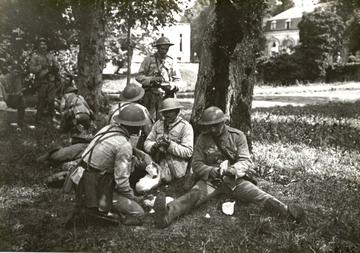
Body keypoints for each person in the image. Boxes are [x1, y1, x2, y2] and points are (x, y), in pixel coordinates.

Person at [153, 106, 305, 228]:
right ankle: (166, 215)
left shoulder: (237, 136)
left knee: (258, 195)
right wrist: (211, 171)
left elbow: (245, 160)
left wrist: (234, 170)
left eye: (216, 125)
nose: (213, 129)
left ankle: (288, 213)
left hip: (234, 180)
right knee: (193, 196)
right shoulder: (203, 140)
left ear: (224, 121)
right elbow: (197, 164)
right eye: (209, 126)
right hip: (210, 180)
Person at [65, 103, 150, 227]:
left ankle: (91, 207)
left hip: (79, 177)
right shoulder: (123, 145)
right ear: (137, 127)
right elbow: (121, 182)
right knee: (138, 213)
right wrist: (132, 197)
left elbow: (110, 146)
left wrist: (134, 150)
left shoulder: (108, 129)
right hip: (94, 184)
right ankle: (95, 215)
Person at [136, 98, 193, 193]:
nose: (167, 114)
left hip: (171, 166)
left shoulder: (185, 127)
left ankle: (157, 178)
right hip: (154, 161)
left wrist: (170, 145)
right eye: (165, 112)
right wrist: (155, 145)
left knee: (140, 187)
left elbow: (188, 152)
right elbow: (147, 142)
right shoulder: (158, 124)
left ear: (178, 111)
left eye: (171, 111)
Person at [135, 37, 182, 121]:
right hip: (149, 95)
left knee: (164, 120)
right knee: (147, 119)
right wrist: (151, 79)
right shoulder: (149, 60)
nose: (164, 51)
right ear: (157, 48)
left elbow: (178, 80)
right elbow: (138, 76)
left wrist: (172, 86)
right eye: (162, 49)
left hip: (166, 96)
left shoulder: (171, 61)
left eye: (166, 49)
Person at [29, 37, 60, 125]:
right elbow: (31, 69)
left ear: (47, 46)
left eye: (45, 44)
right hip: (41, 82)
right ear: (38, 46)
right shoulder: (35, 57)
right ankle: (38, 119)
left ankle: (52, 117)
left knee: (51, 100)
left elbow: (56, 66)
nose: (43, 46)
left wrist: (55, 69)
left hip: (51, 80)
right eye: (41, 44)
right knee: (41, 100)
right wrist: (41, 67)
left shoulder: (51, 56)